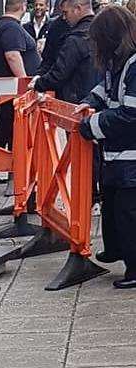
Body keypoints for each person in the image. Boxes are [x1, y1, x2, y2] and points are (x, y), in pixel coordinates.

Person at [78, 5, 136, 288]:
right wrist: (90, 101)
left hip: (130, 156)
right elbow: (106, 89)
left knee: (129, 215)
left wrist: (92, 125)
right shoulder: (120, 61)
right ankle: (116, 249)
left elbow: (130, 114)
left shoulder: (134, 64)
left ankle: (135, 268)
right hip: (117, 155)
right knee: (113, 208)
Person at [0, 0, 41, 184]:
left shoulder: (4, 25)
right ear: (22, 6)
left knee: (5, 126)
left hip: (6, 88)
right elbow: (12, 55)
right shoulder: (11, 28)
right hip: (11, 89)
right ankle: (0, 169)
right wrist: (24, 82)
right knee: (8, 127)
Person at [29, 0, 99, 103]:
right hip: (97, 98)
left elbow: (60, 72)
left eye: (66, 13)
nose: (64, 17)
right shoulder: (104, 29)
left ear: (78, 9)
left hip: (76, 100)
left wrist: (39, 84)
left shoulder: (76, 38)